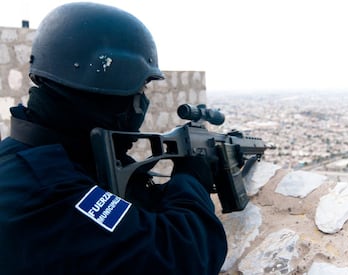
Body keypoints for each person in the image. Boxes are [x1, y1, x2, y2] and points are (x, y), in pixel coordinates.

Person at [0, 2, 227, 274]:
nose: (141, 102)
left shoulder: (29, 157)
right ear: (112, 88)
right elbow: (183, 256)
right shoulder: (45, 189)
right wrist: (192, 180)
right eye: (140, 88)